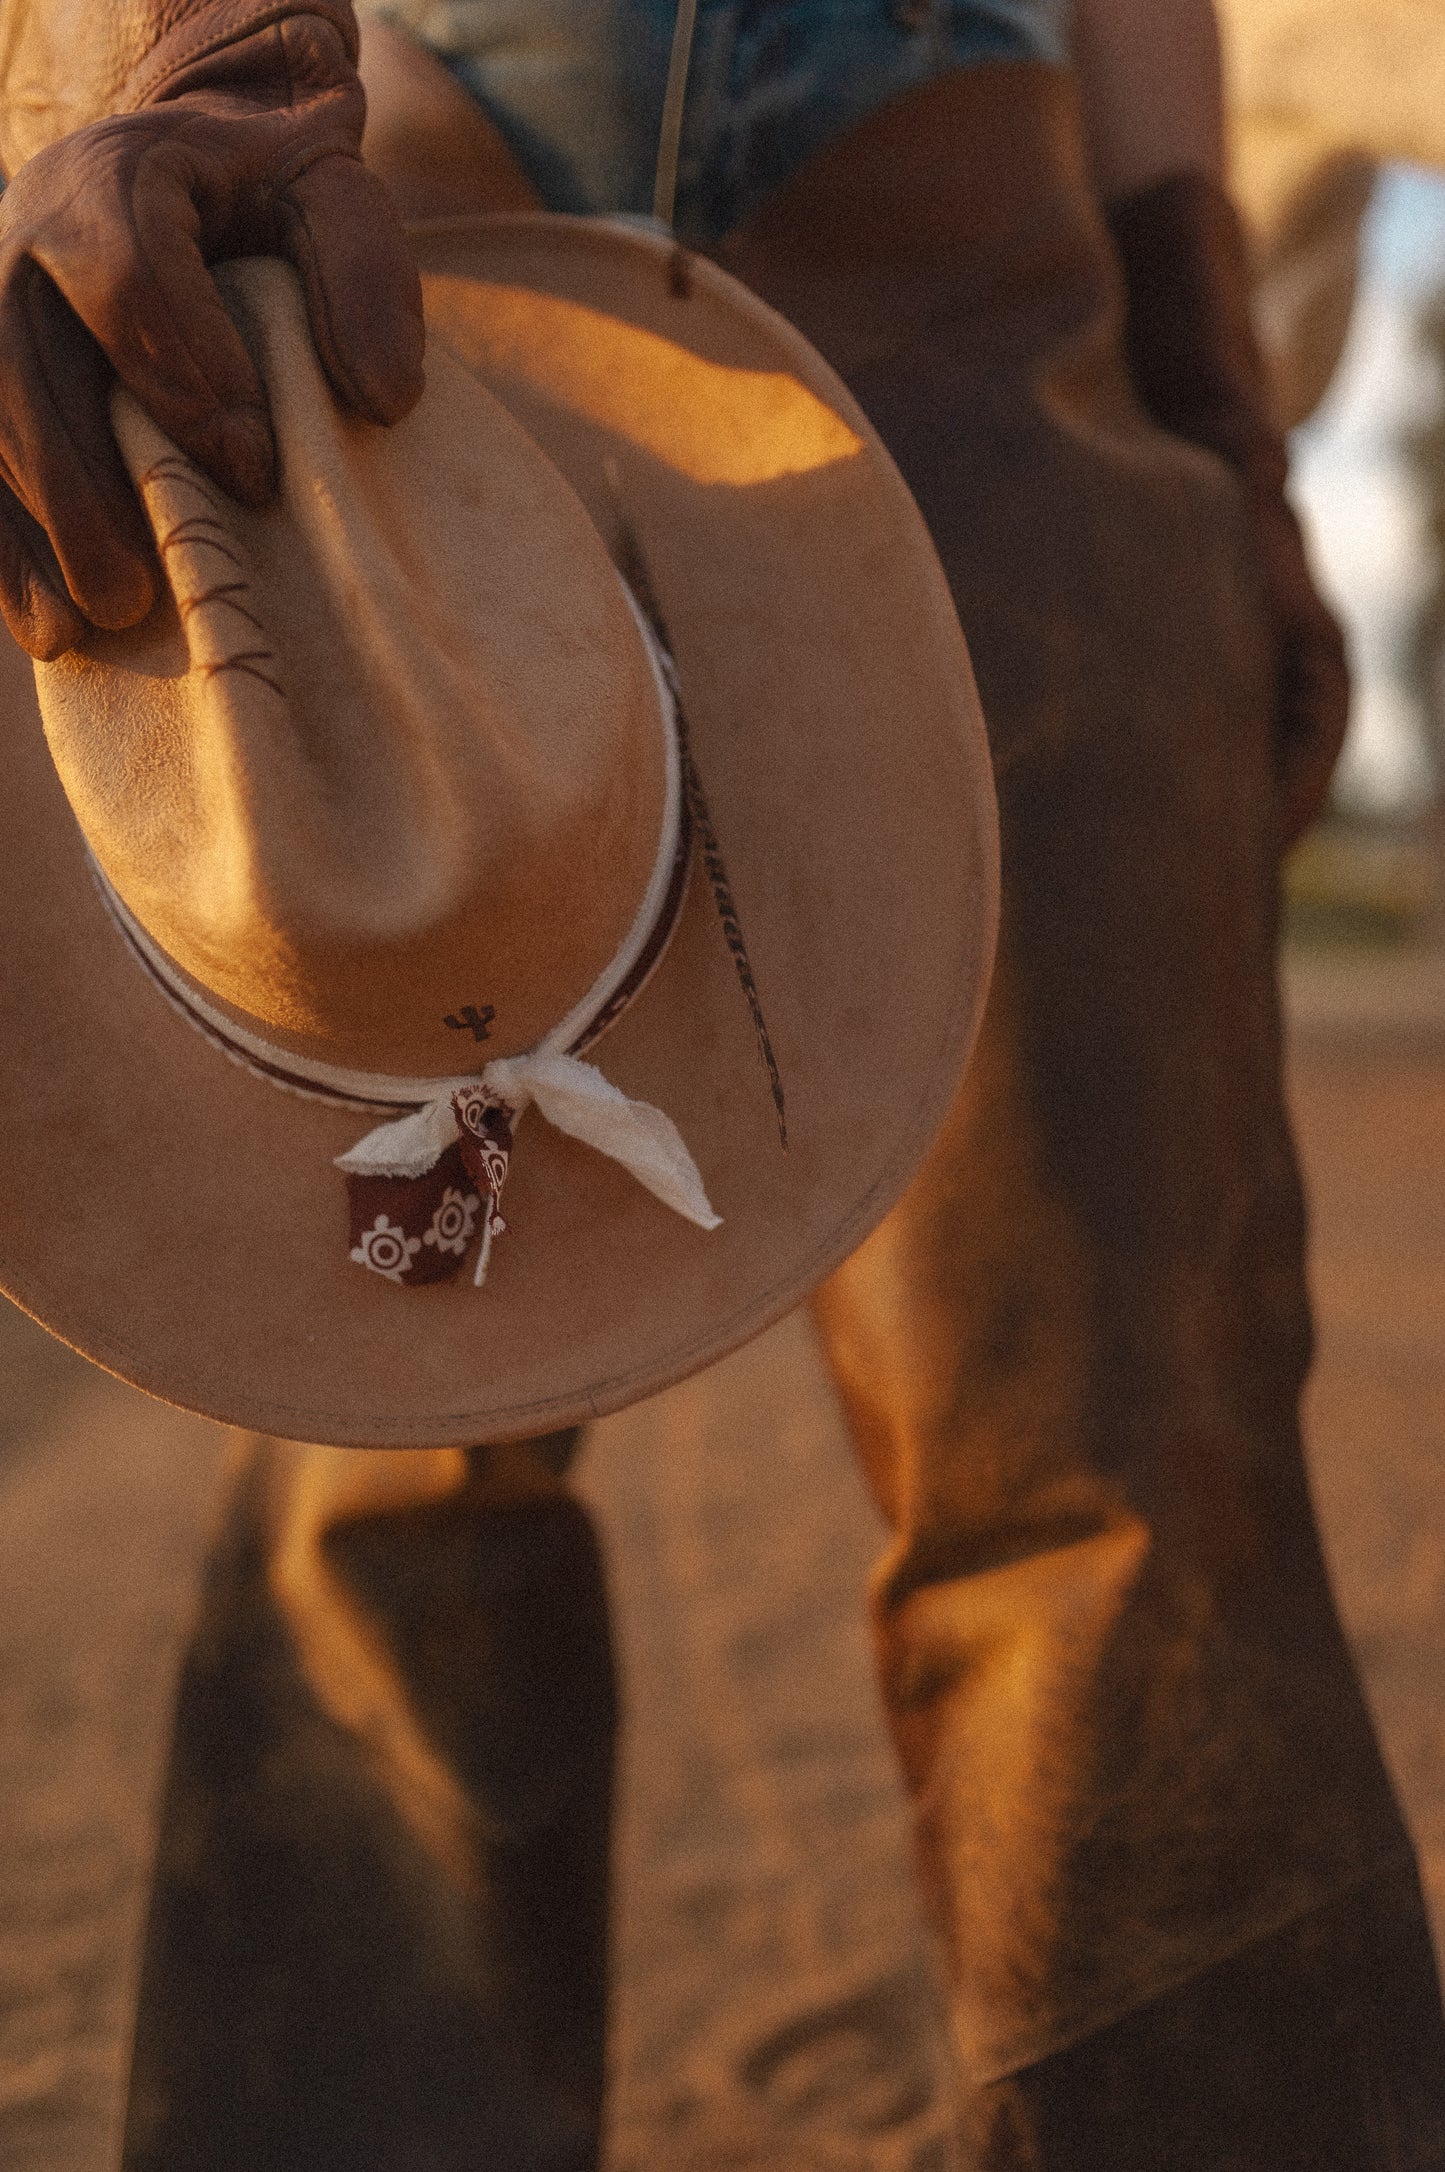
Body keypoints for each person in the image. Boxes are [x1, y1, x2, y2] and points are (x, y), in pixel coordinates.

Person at [0, 3, 1442, 2168]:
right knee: (368, 1472)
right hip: (396, 181)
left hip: (961, 190)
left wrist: (1199, 345)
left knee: (1116, 1395)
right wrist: (196, 59)